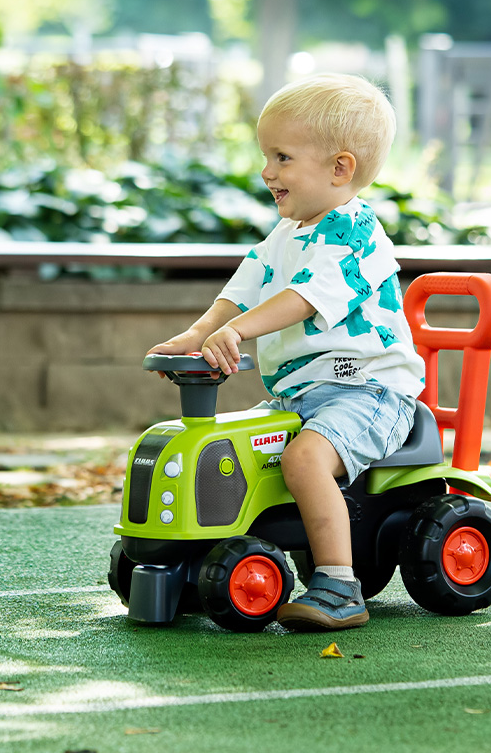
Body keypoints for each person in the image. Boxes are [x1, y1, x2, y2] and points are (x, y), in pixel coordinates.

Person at [148, 73, 425, 631]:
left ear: (339, 168)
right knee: (241, 449)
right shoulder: (288, 233)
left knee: (302, 458)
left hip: (369, 390)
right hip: (305, 394)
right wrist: (200, 334)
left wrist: (240, 334)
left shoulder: (355, 235)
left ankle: (340, 586)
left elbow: (302, 300)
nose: (266, 172)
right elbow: (241, 292)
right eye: (265, 156)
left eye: (281, 157)